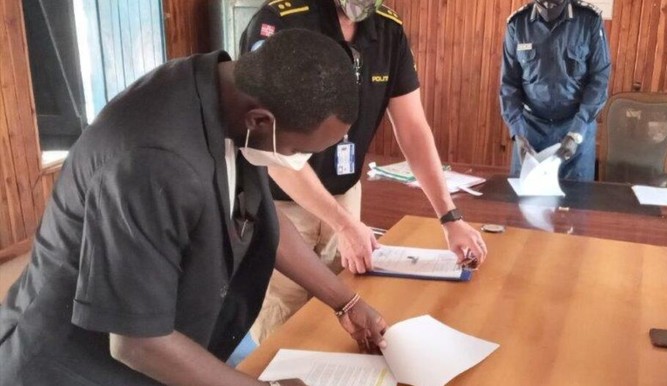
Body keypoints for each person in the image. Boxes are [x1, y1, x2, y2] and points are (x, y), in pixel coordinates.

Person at [0, 29, 388, 386]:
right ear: (260, 120)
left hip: (159, 343)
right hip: (70, 367)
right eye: (300, 150)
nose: (299, 161)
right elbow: (138, 343)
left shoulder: (225, 92)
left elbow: (261, 218)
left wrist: (345, 302)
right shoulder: (154, 161)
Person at [240, 0, 488, 343]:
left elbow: (413, 128)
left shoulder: (388, 29)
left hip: (345, 196)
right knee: (285, 326)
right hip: (282, 202)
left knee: (346, 313)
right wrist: (344, 223)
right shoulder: (279, 21)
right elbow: (268, 147)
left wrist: (450, 217)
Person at [500, 0, 611, 182]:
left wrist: (577, 132)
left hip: (575, 125)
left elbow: (599, 79)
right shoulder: (518, 24)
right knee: (523, 203)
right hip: (530, 131)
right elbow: (509, 85)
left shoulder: (589, 20)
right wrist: (517, 132)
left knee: (576, 204)